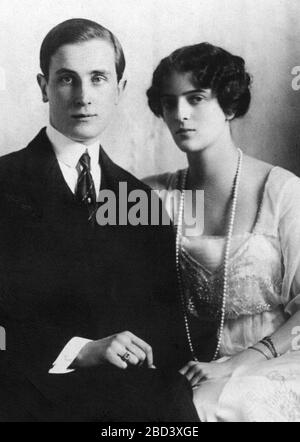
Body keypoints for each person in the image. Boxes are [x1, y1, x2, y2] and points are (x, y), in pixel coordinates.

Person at [0, 18, 202, 422]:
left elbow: (162, 325)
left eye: (97, 78)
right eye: (66, 79)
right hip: (24, 392)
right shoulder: (5, 183)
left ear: (119, 89)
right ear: (44, 87)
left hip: (125, 396)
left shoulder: (139, 199)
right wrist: (81, 350)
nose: (83, 97)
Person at [144, 42, 300, 422]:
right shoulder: (155, 196)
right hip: (195, 365)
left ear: (229, 106)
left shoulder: (282, 191)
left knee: (210, 406)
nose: (180, 114)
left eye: (196, 98)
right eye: (169, 102)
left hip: (279, 358)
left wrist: (241, 363)